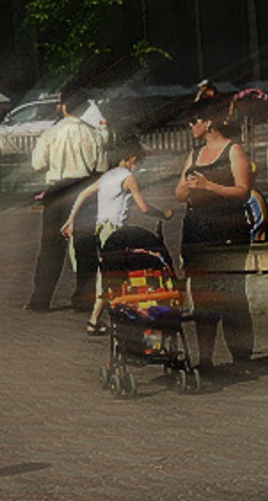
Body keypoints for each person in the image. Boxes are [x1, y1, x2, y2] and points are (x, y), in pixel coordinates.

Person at [61, 138, 174, 334]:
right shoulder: (129, 178)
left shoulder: (107, 176)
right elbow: (144, 207)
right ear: (133, 159)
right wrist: (164, 214)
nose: (139, 168)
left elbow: (82, 194)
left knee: (105, 273)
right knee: (113, 275)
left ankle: (99, 319)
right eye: (139, 163)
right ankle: (98, 319)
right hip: (115, 232)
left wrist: (70, 220)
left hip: (100, 230)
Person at [175, 96, 254, 373]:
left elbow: (242, 190)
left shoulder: (233, 150)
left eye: (193, 120)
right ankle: (205, 359)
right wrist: (187, 188)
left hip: (227, 231)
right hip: (197, 231)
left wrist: (209, 186)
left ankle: (241, 358)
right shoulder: (194, 154)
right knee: (202, 296)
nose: (190, 126)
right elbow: (179, 193)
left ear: (208, 122)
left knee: (231, 294)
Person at [26, 89, 107, 312]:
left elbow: (37, 165)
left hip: (57, 191)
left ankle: (40, 300)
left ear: (64, 107)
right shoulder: (93, 135)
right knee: (85, 247)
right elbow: (100, 168)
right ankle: (84, 299)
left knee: (50, 247)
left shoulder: (50, 134)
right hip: (83, 190)